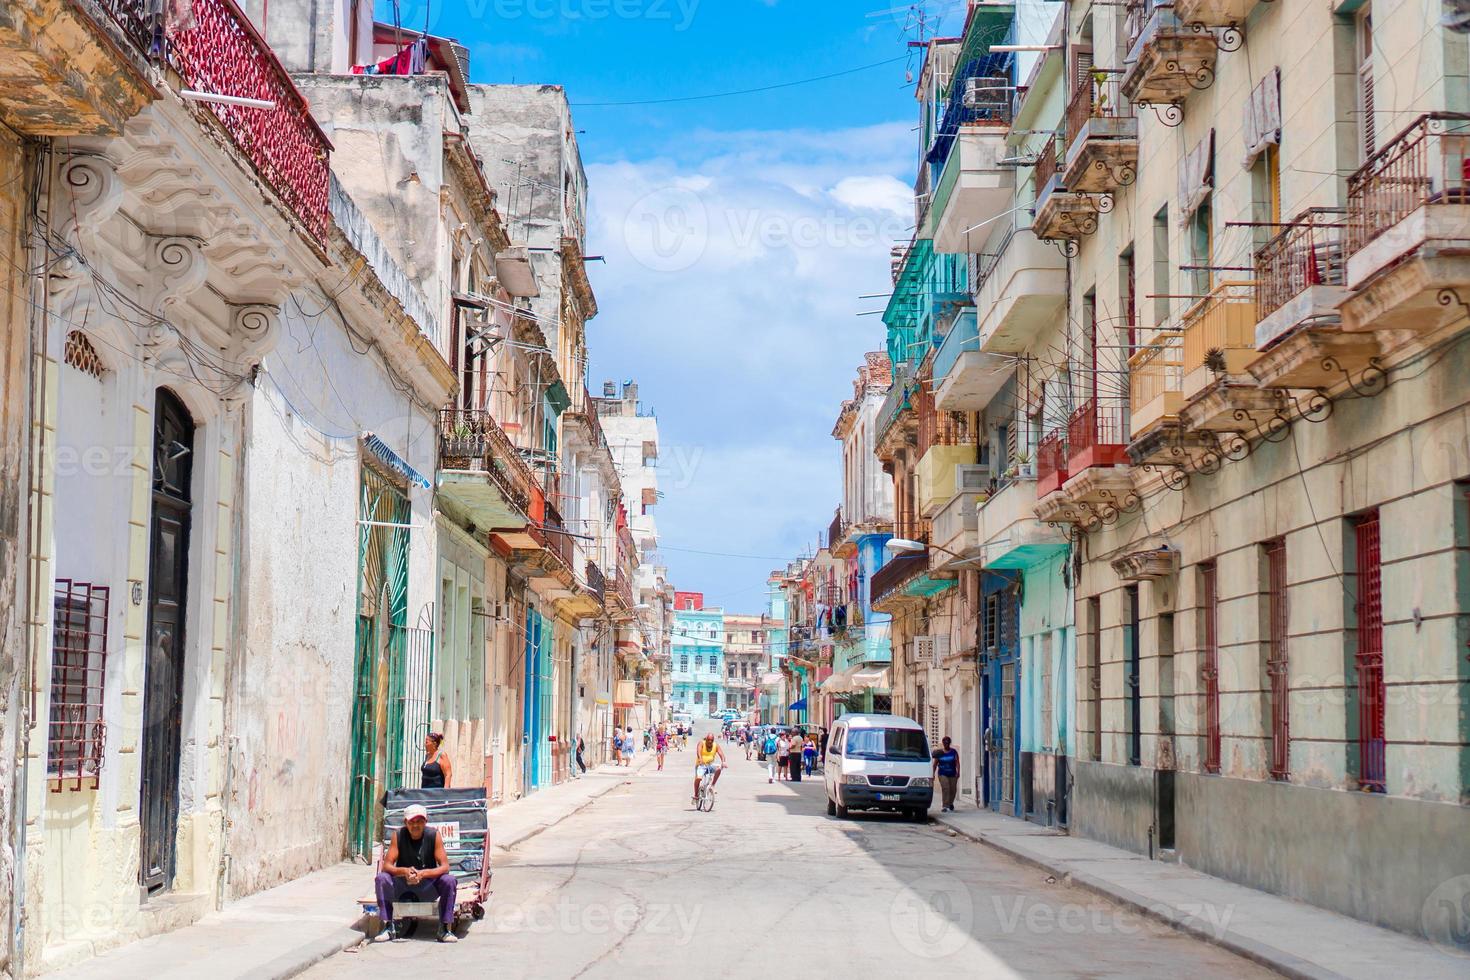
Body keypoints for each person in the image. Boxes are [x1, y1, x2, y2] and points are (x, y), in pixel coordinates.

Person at [375, 804, 459, 943]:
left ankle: (444, 929)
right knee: (381, 878)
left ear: (425, 822)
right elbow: (387, 866)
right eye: (411, 822)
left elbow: (445, 867)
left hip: (427, 887)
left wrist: (422, 874)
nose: (415, 825)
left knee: (449, 880)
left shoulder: (433, 835)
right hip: (403, 887)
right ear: (405, 823)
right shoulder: (399, 835)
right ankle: (388, 926)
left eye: (419, 821)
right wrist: (404, 871)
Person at [692, 731, 727, 806]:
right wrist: (700, 759)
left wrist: (723, 762)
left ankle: (712, 785)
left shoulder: (715, 745)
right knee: (698, 778)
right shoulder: (701, 743)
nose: (710, 742)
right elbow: (698, 751)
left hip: (710, 765)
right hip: (701, 765)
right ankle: (696, 795)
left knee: (719, 768)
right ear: (706, 739)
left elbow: (721, 754)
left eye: (711, 740)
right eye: (708, 740)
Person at [932, 735, 961, 812]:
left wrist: (958, 771)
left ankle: (950, 803)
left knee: (953, 789)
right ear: (943, 744)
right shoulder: (939, 753)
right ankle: (945, 805)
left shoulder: (953, 752)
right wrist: (933, 774)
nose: (946, 744)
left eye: (947, 743)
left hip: (952, 773)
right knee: (946, 788)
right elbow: (935, 765)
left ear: (949, 743)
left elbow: (957, 762)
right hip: (942, 773)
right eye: (945, 743)